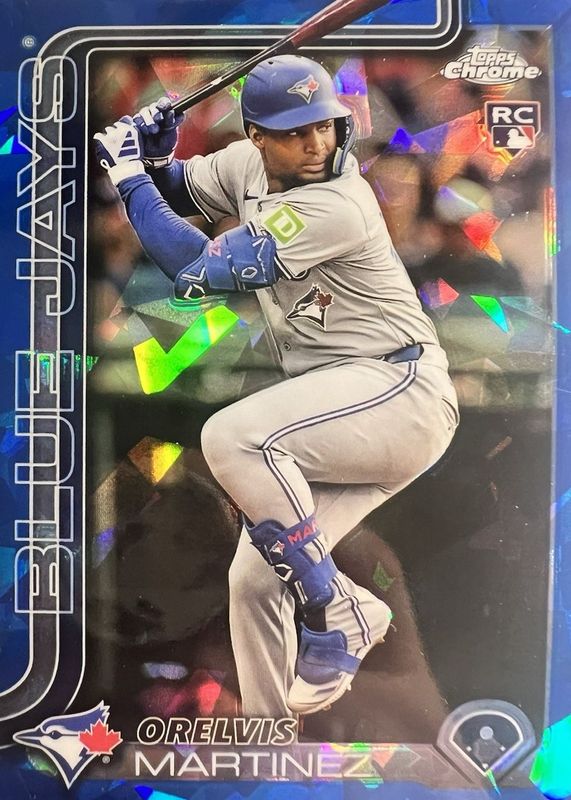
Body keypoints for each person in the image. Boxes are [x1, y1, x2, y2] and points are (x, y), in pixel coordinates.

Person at [93, 54, 459, 718]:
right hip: (343, 403)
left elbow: (193, 268)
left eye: (323, 125)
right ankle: (269, 729)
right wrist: (153, 160)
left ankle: (338, 605)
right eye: (294, 132)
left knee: (232, 436)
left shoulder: (337, 202)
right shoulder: (244, 165)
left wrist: (126, 177)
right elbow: (177, 194)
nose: (315, 143)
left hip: (398, 390)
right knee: (255, 578)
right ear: (257, 136)